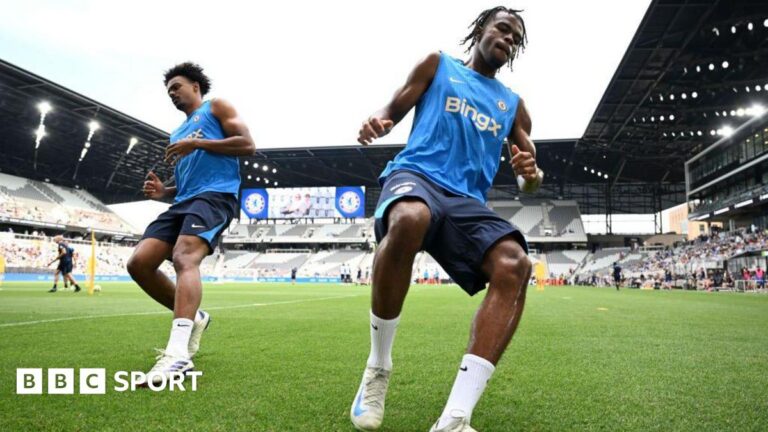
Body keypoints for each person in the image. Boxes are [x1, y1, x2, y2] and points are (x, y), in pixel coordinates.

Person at [349, 7, 539, 431]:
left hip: (466, 202)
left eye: (516, 38)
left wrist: (531, 174)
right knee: (409, 219)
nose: (508, 40)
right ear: (480, 31)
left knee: (515, 264)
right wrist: (377, 124)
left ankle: (455, 417)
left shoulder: (513, 105)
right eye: (503, 29)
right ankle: (378, 369)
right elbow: (391, 110)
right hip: (417, 175)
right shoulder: (438, 65)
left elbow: (531, 179)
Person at [126, 62, 255, 384]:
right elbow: (186, 183)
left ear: (195, 86)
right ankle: (195, 317)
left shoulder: (217, 107)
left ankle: (177, 354)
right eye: (168, 90)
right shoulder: (177, 133)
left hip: (216, 196)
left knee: (185, 256)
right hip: (185, 201)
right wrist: (163, 192)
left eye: (177, 87)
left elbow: (247, 144)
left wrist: (198, 143)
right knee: (139, 263)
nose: (172, 93)